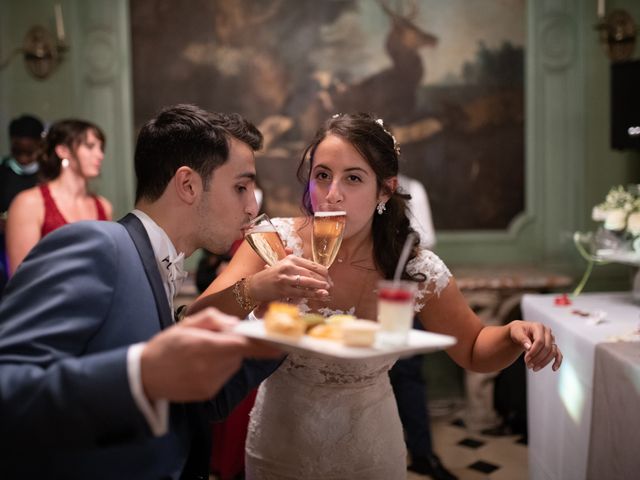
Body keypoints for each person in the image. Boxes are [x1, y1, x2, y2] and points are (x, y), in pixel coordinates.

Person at [189, 113, 563, 479]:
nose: (332, 195)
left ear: (384, 189)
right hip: (279, 448)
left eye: (353, 178)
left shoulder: (413, 267)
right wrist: (257, 288)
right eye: (322, 176)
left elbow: (473, 349)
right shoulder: (273, 243)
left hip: (369, 452)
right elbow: (194, 320)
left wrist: (513, 332)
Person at [0, 104, 282, 479]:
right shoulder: (99, 245)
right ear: (187, 184)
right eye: (241, 187)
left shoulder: (160, 262)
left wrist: (280, 332)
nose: (252, 207)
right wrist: (139, 375)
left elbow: (190, 403)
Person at [392, 174, 457, 479]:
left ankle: (421, 453)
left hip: (399, 291)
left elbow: (425, 237)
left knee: (407, 373)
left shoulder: (412, 188)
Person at [5, 119, 113, 276]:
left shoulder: (103, 205)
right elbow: (21, 279)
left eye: (101, 148)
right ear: (63, 150)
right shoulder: (30, 203)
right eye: (90, 147)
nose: (100, 155)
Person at [0, 114, 45, 288]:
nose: (24, 158)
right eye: (18, 152)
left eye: (29, 152)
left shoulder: (49, 175)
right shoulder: (3, 172)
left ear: (40, 145)